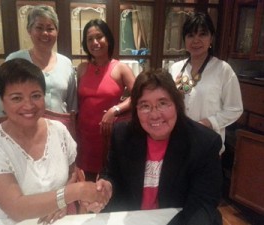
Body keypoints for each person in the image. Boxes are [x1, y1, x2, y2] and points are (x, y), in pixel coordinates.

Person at [0, 58, 111, 225]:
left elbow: (72, 171)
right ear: (2, 101)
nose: (28, 105)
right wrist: (73, 193)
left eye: (35, 96)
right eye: (16, 98)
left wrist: (64, 201)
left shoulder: (59, 131)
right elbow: (16, 208)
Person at [99, 69, 223, 225]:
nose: (154, 115)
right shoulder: (122, 135)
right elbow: (111, 174)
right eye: (145, 106)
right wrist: (107, 185)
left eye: (163, 103)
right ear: (136, 109)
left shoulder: (204, 143)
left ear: (177, 104)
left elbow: (202, 205)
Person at [169, 12, 243, 154]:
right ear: (184, 39)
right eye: (190, 35)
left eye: (202, 34)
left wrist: (209, 122)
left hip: (208, 143)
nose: (196, 40)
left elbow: (235, 109)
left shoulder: (223, 70)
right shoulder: (175, 68)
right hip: (179, 142)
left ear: (211, 39)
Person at [76, 19, 135, 181]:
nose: (95, 42)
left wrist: (114, 110)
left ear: (108, 39)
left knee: (108, 180)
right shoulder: (81, 69)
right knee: (86, 182)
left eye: (99, 37)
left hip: (108, 136)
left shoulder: (120, 68)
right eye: (89, 39)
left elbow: (139, 96)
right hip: (85, 137)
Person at [0, 5, 77, 117]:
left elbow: (72, 106)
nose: (45, 33)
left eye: (50, 28)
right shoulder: (14, 61)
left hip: (58, 129)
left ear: (57, 31)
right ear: (29, 30)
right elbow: (1, 105)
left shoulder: (66, 63)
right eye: (39, 28)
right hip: (23, 128)